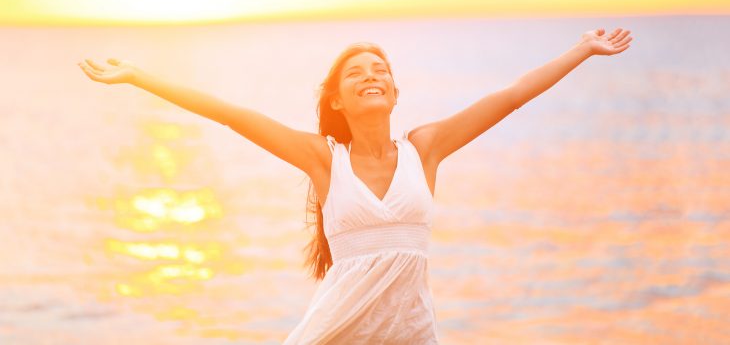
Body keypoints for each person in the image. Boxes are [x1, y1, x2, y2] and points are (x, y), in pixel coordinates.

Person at [78, 27, 633, 344]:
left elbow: (512, 96)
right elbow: (234, 115)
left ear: (394, 92)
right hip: (335, 334)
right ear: (338, 100)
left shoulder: (426, 148)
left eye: (381, 69)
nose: (372, 74)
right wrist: (139, 77)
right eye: (356, 72)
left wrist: (583, 49)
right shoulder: (324, 158)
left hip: (412, 334)